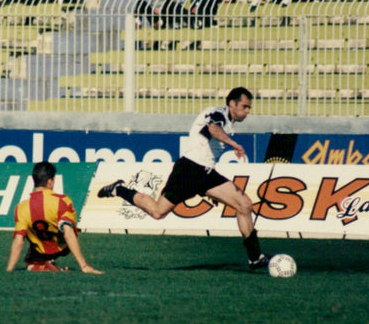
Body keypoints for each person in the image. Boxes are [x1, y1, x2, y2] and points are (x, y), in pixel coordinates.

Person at [97, 87, 270, 271]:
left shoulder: (227, 121)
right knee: (157, 212)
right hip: (189, 169)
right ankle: (119, 189)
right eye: (244, 106)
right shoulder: (218, 113)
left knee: (244, 204)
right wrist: (234, 144)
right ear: (232, 104)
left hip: (206, 173)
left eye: (249, 107)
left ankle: (255, 257)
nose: (247, 111)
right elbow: (213, 128)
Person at [7, 161, 102, 273]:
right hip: (62, 248)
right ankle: (47, 264)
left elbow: (19, 241)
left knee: (30, 249)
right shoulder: (62, 201)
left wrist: (9, 270)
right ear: (50, 182)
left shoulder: (21, 207)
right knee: (68, 224)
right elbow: (68, 233)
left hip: (40, 249)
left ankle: (40, 263)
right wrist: (84, 265)